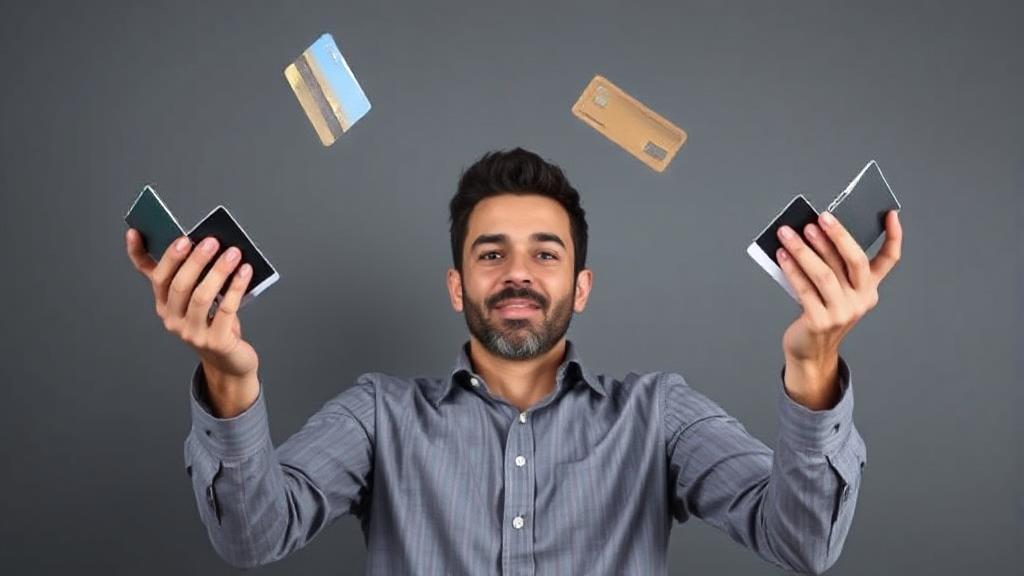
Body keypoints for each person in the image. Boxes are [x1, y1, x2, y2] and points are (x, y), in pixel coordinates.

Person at [125, 148, 902, 575]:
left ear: (582, 286)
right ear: (457, 284)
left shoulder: (659, 415)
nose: (518, 274)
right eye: (492, 254)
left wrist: (816, 364)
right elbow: (253, 539)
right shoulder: (379, 415)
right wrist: (229, 375)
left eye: (545, 253)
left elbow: (802, 545)